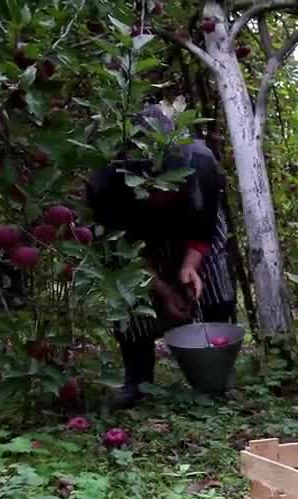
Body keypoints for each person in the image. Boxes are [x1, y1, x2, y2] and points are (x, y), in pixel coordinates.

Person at [86, 104, 238, 408]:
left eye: (178, 184)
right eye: (162, 188)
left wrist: (189, 268)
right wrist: (163, 289)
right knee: (130, 294)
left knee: (215, 285)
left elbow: (205, 227)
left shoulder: (203, 164)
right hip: (136, 241)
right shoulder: (105, 183)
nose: (172, 192)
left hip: (191, 229)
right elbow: (122, 252)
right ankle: (138, 381)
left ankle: (216, 374)